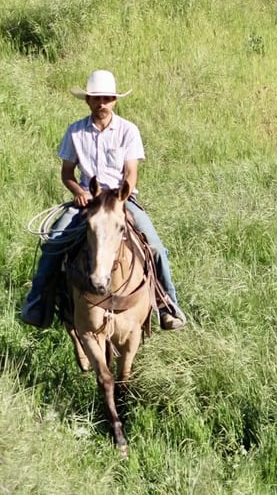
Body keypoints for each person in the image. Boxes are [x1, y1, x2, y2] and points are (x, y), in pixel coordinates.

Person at [21, 69, 187, 330]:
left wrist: (122, 196)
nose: (102, 104)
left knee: (154, 246)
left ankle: (168, 305)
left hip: (121, 199)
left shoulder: (128, 131)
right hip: (88, 201)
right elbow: (67, 173)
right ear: (88, 100)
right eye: (97, 98)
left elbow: (131, 173)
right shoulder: (75, 131)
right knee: (54, 242)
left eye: (107, 98)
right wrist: (78, 192)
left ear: (114, 101)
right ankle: (38, 303)